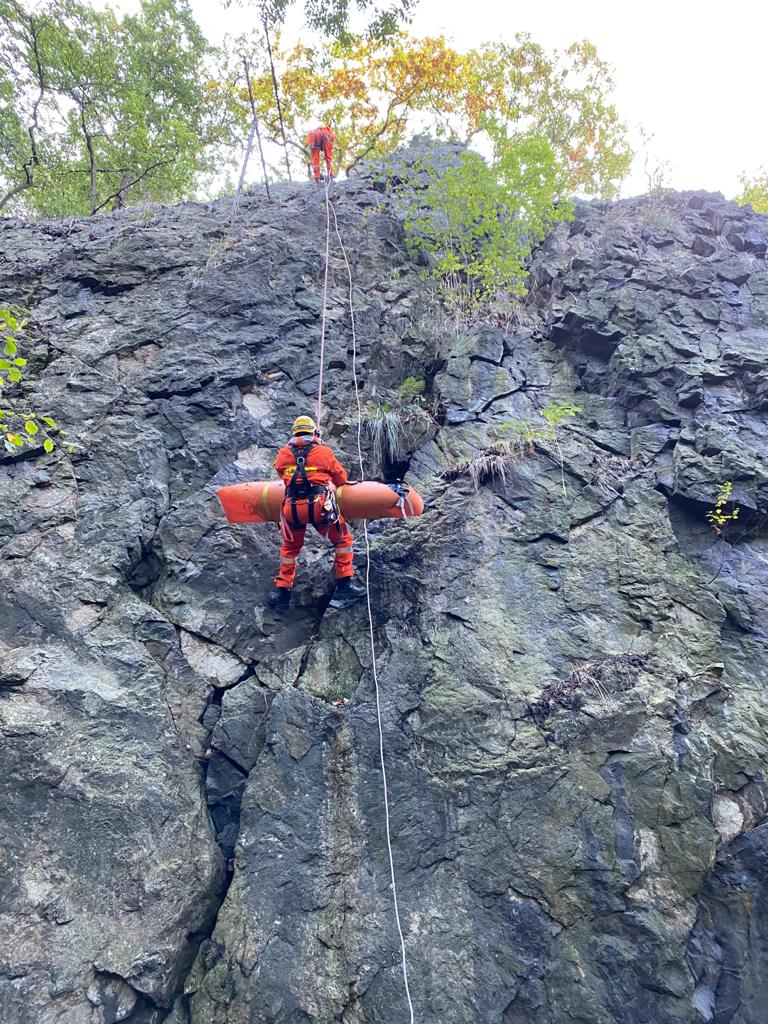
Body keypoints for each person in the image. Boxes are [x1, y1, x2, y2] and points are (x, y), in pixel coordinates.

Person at [268, 415, 366, 610]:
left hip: (292, 509)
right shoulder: (323, 451)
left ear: (294, 433)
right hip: (318, 507)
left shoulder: (283, 453)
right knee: (342, 540)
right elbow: (340, 478)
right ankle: (344, 583)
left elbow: (281, 472)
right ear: (314, 432)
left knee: (290, 548)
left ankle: (282, 591)